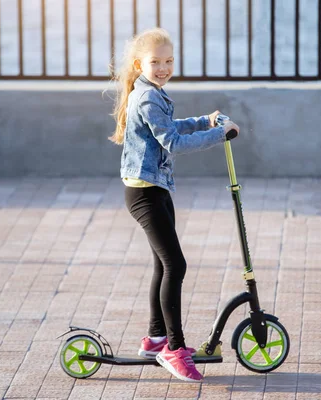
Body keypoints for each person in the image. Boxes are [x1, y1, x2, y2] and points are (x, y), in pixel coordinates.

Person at [109, 27, 240, 382]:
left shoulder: (152, 92)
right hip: (144, 193)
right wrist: (219, 135)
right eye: (156, 62)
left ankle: (155, 339)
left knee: (162, 265)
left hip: (154, 187)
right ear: (140, 64)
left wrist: (204, 121)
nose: (164, 67)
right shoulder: (148, 98)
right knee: (175, 265)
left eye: (169, 61)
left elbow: (169, 127)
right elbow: (173, 143)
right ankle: (174, 349)